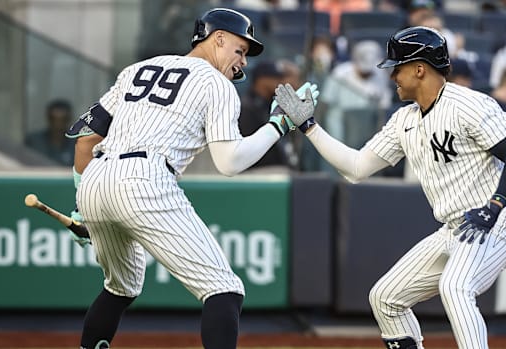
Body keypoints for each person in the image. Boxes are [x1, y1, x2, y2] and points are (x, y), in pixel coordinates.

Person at [64, 8, 317, 349]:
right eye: (240, 50)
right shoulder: (217, 84)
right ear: (219, 38)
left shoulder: (137, 69)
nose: (243, 62)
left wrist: (81, 204)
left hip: (96, 180)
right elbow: (230, 162)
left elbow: (87, 141)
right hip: (145, 179)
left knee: (120, 286)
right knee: (224, 289)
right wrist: (279, 125)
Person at [275, 26, 506, 349]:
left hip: (498, 221)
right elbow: (356, 168)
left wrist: (494, 206)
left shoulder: (469, 105)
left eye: (397, 68)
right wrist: (309, 127)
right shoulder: (403, 121)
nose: (392, 75)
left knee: (455, 287)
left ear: (420, 69)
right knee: (385, 298)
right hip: (455, 228)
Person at [240, 60, 301, 169]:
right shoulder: (247, 108)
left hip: (281, 171)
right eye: (275, 78)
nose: (279, 82)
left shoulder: (273, 105)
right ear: (262, 80)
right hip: (259, 173)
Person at [25, 99, 76, 166]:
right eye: (54, 120)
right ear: (48, 118)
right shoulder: (34, 141)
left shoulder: (77, 142)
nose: (58, 125)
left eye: (62, 120)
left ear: (68, 119)